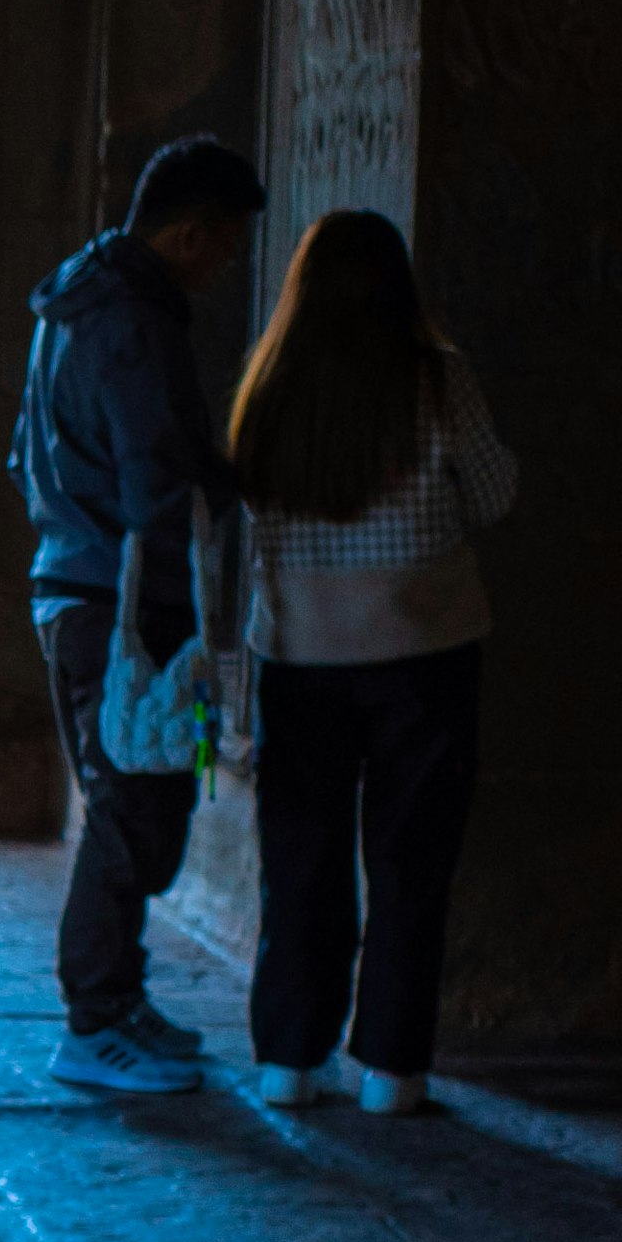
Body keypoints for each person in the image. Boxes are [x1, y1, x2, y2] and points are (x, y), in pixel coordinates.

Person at [228, 208, 517, 1114]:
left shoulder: (269, 384)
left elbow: (246, 505)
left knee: (301, 855)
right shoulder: (441, 381)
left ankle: (288, 1059)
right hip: (424, 653)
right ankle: (392, 1069)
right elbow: (498, 493)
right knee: (410, 859)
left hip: (301, 654)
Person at [11, 136, 267, 1093]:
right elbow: (154, 469)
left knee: (139, 800)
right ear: (191, 233)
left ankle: (118, 998)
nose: (229, 265)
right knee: (133, 811)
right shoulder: (132, 318)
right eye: (228, 245)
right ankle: (94, 1023)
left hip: (77, 581)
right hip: (120, 598)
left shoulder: (74, 303)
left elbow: (26, 452)